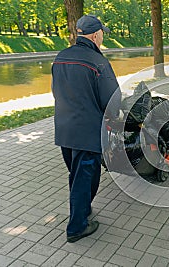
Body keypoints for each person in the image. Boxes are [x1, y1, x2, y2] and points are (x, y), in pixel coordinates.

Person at [51, 15, 121, 243]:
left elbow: (56, 91)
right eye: (102, 33)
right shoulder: (98, 61)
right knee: (85, 176)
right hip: (88, 131)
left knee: (77, 174)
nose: (102, 37)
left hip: (64, 129)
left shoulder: (61, 57)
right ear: (95, 35)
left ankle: (83, 210)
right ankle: (77, 227)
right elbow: (113, 99)